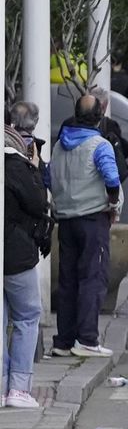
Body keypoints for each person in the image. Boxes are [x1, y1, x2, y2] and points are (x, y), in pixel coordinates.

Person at [48, 94, 123, 359]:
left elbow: (49, 178)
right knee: (93, 278)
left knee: (67, 281)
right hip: (92, 220)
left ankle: (63, 340)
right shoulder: (99, 145)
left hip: (66, 221)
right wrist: (113, 204)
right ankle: (88, 339)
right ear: (100, 115)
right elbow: (112, 179)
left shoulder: (59, 146)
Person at [3, 116, 48, 407]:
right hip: (16, 256)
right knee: (27, 316)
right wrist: (34, 168)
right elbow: (37, 203)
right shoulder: (17, 167)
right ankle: (18, 389)